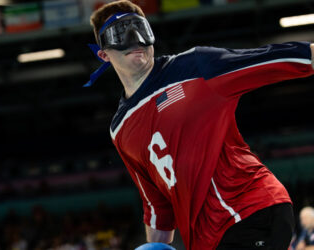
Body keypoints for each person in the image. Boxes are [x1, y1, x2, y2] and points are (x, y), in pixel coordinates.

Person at [86, 1, 314, 249]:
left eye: (140, 29)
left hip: (246, 208)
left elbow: (276, 58)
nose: (136, 40)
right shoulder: (120, 129)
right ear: (103, 54)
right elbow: (157, 206)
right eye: (120, 33)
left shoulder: (195, 66)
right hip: (207, 238)